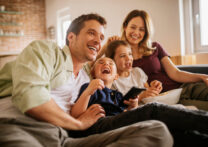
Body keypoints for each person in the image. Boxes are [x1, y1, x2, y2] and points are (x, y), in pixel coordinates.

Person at [0, 13, 173, 147]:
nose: (98, 41)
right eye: (92, 33)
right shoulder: (47, 51)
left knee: (158, 131)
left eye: (101, 38)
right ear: (71, 37)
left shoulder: (87, 73)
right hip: (21, 126)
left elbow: (107, 69)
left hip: (63, 138)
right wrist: (77, 123)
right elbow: (31, 96)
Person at [70, 56, 208, 147]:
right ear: (93, 73)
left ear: (116, 76)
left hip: (116, 123)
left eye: (110, 63)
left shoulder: (118, 95)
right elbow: (76, 114)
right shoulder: (88, 87)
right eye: (101, 62)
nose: (106, 64)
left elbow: (125, 115)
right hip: (98, 124)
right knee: (153, 109)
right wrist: (88, 91)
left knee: (173, 131)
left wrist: (132, 107)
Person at [100, 9, 208, 110]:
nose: (136, 32)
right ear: (125, 27)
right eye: (133, 27)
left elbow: (175, 73)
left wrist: (201, 77)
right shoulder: (120, 58)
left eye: (142, 29)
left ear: (146, 32)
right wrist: (105, 47)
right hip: (164, 101)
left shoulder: (155, 47)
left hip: (182, 89)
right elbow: (95, 67)